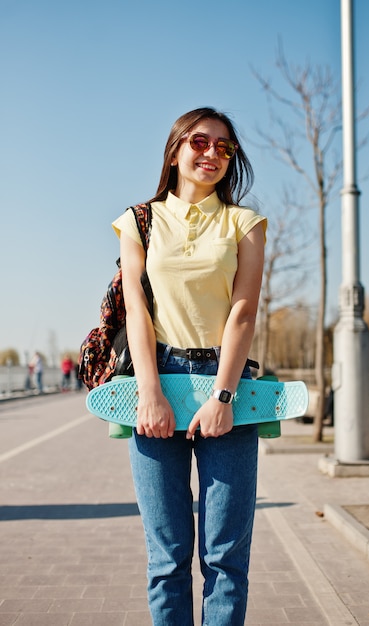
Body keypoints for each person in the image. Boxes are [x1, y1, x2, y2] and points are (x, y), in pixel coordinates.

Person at [112, 107, 267, 626]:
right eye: (201, 141)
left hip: (227, 382)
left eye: (225, 147)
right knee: (167, 559)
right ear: (175, 149)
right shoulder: (139, 220)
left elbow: (244, 310)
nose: (212, 154)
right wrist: (148, 391)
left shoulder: (245, 222)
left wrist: (223, 397)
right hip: (156, 374)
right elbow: (137, 308)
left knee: (225, 559)